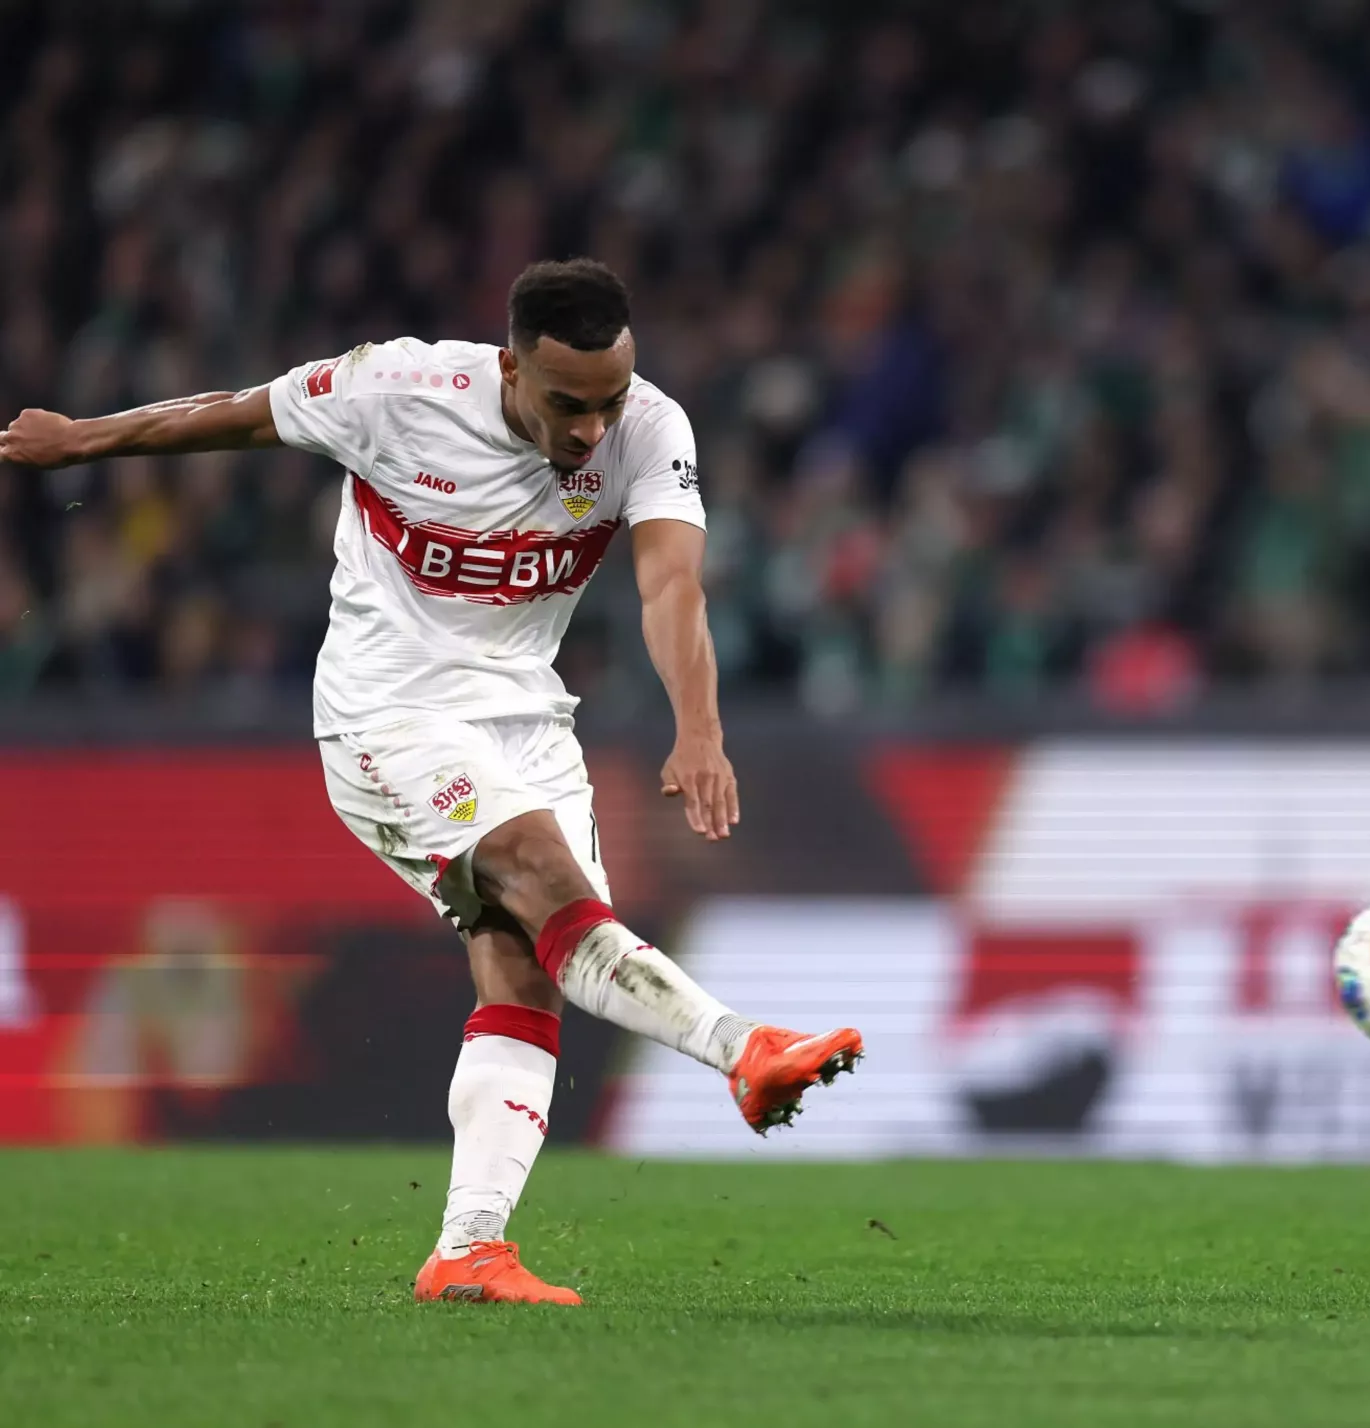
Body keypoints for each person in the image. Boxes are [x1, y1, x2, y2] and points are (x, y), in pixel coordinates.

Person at [0, 259, 864, 1302]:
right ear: (511, 367)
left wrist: (700, 729)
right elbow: (239, 413)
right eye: (568, 404)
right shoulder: (396, 390)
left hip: (528, 721)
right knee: (543, 876)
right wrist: (82, 439)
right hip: (387, 714)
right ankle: (742, 1048)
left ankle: (470, 1248)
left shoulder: (649, 427)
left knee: (528, 968)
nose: (592, 428)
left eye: (608, 399)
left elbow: (671, 582)